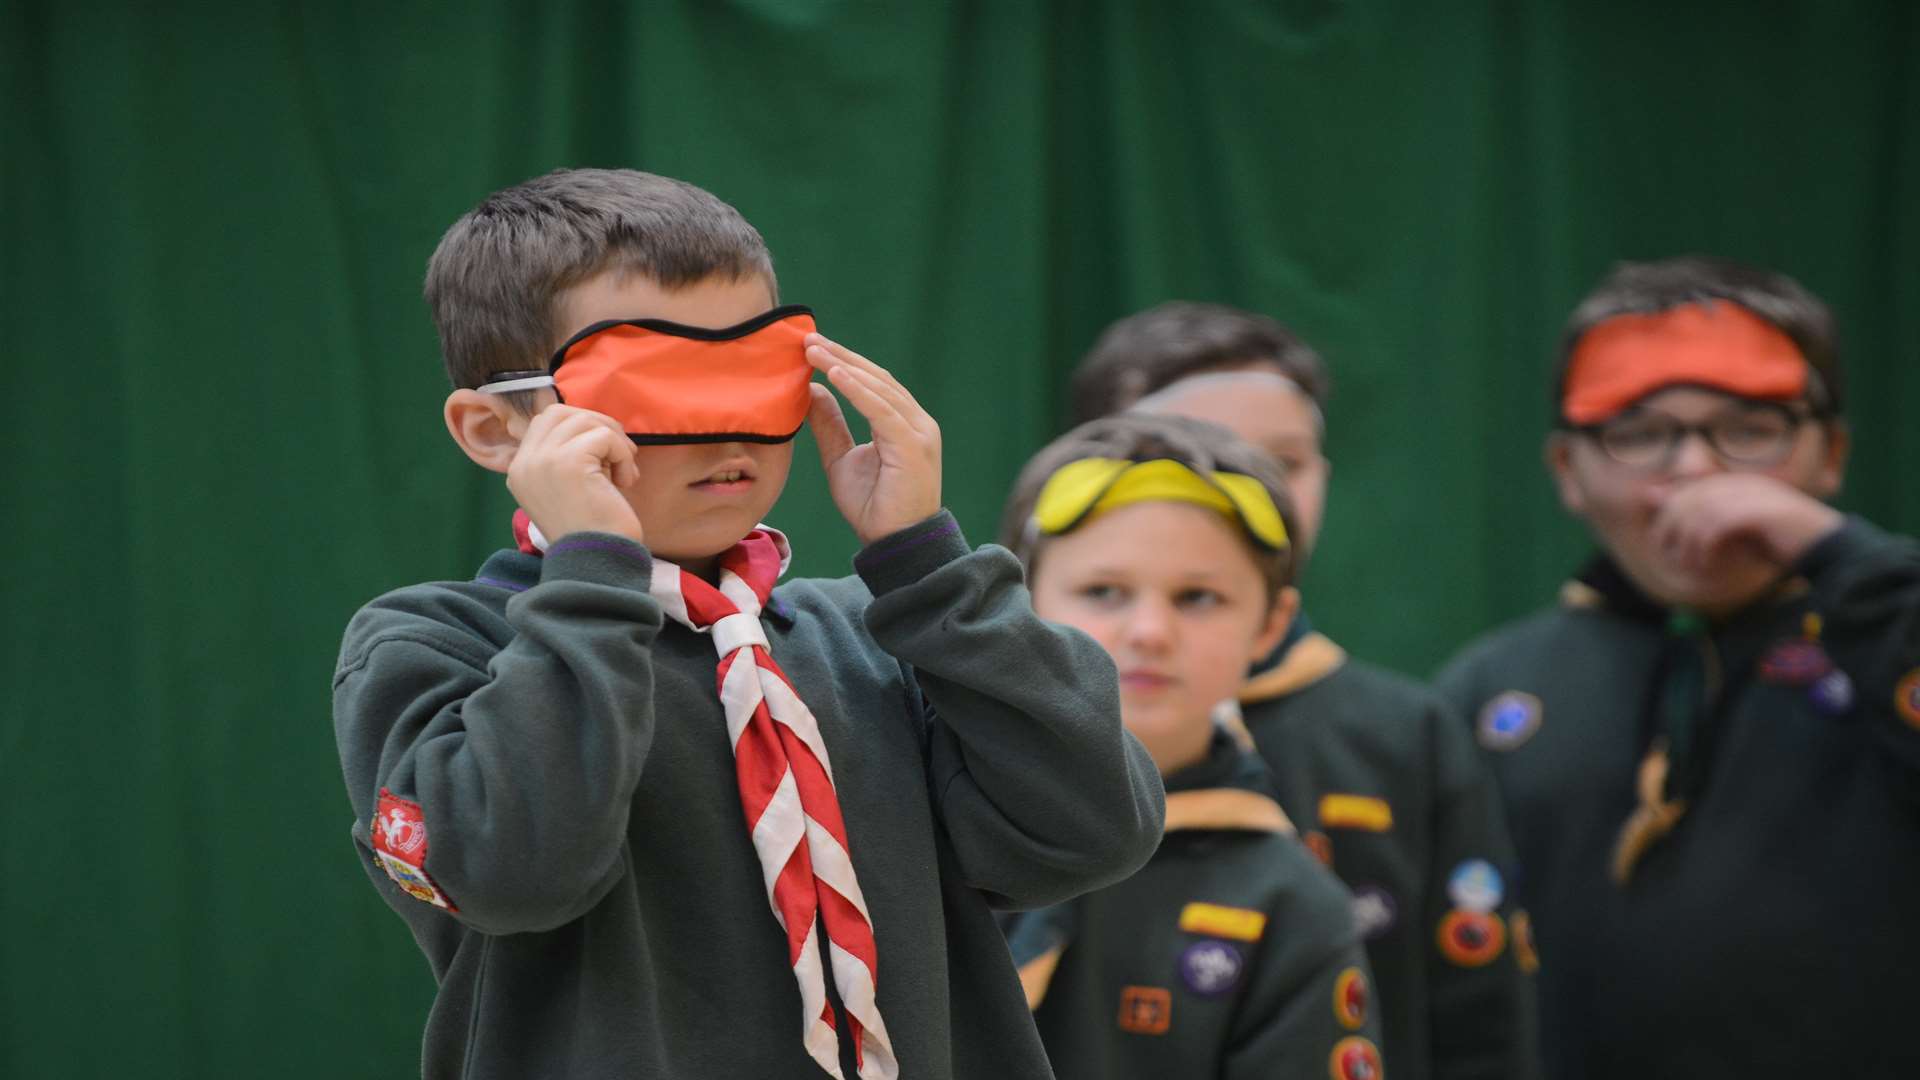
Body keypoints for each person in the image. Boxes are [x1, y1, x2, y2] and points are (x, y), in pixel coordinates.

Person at [331, 167, 1164, 1080]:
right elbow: (512, 873)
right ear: (496, 432)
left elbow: (1090, 835)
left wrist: (928, 570)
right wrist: (592, 582)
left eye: (752, 376)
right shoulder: (435, 647)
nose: (726, 432)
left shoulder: (885, 636)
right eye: (656, 387)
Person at [1435, 255, 1920, 1079]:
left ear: (1829, 454)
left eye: (1750, 429)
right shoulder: (1492, 688)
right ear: (1567, 472)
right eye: (1638, 433)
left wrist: (1837, 551)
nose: (1694, 469)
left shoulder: (1886, 642)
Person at [1076, 302, 1533, 1080]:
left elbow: (1478, 1020)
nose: (1255, 489)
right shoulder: (1019, 734)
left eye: (1283, 461)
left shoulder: (1405, 733)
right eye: (1198, 458)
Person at [997, 412, 1387, 1080]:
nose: (1149, 631)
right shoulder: (923, 824)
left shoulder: (1289, 906)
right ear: (1019, 603)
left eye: (1198, 598)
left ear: (1271, 626)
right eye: (1104, 592)